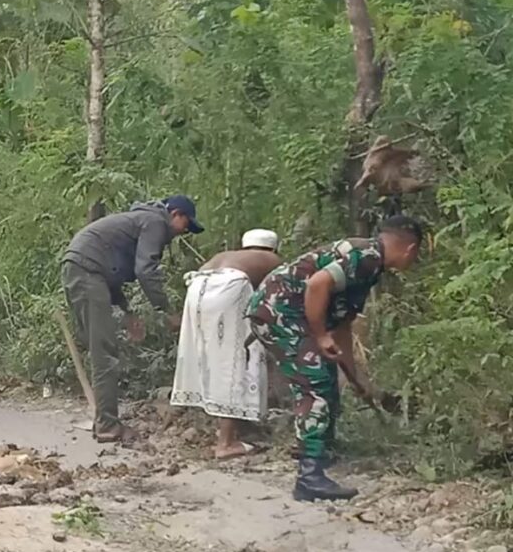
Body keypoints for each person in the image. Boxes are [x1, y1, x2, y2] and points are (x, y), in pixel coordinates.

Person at [247, 215, 424, 501]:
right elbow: (318, 284)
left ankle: (321, 451)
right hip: (280, 311)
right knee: (314, 384)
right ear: (410, 249)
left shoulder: (370, 264)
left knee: (326, 377)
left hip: (287, 313)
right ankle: (309, 476)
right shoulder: (367, 256)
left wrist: (355, 379)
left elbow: (341, 326)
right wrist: (320, 335)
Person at [61, 195, 204, 443]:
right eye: (186, 225)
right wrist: (166, 311)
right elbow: (145, 269)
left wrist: (128, 312)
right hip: (87, 272)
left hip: (83, 269)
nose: (185, 232)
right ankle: (107, 425)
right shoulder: (155, 222)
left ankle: (103, 420)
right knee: (104, 351)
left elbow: (111, 271)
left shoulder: (140, 219)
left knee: (100, 346)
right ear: (175, 214)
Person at [171, 229, 283, 458]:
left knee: (212, 360)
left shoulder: (227, 256)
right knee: (235, 361)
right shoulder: (272, 260)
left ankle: (227, 427)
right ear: (273, 247)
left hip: (197, 288)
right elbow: (278, 301)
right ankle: (226, 443)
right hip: (229, 288)